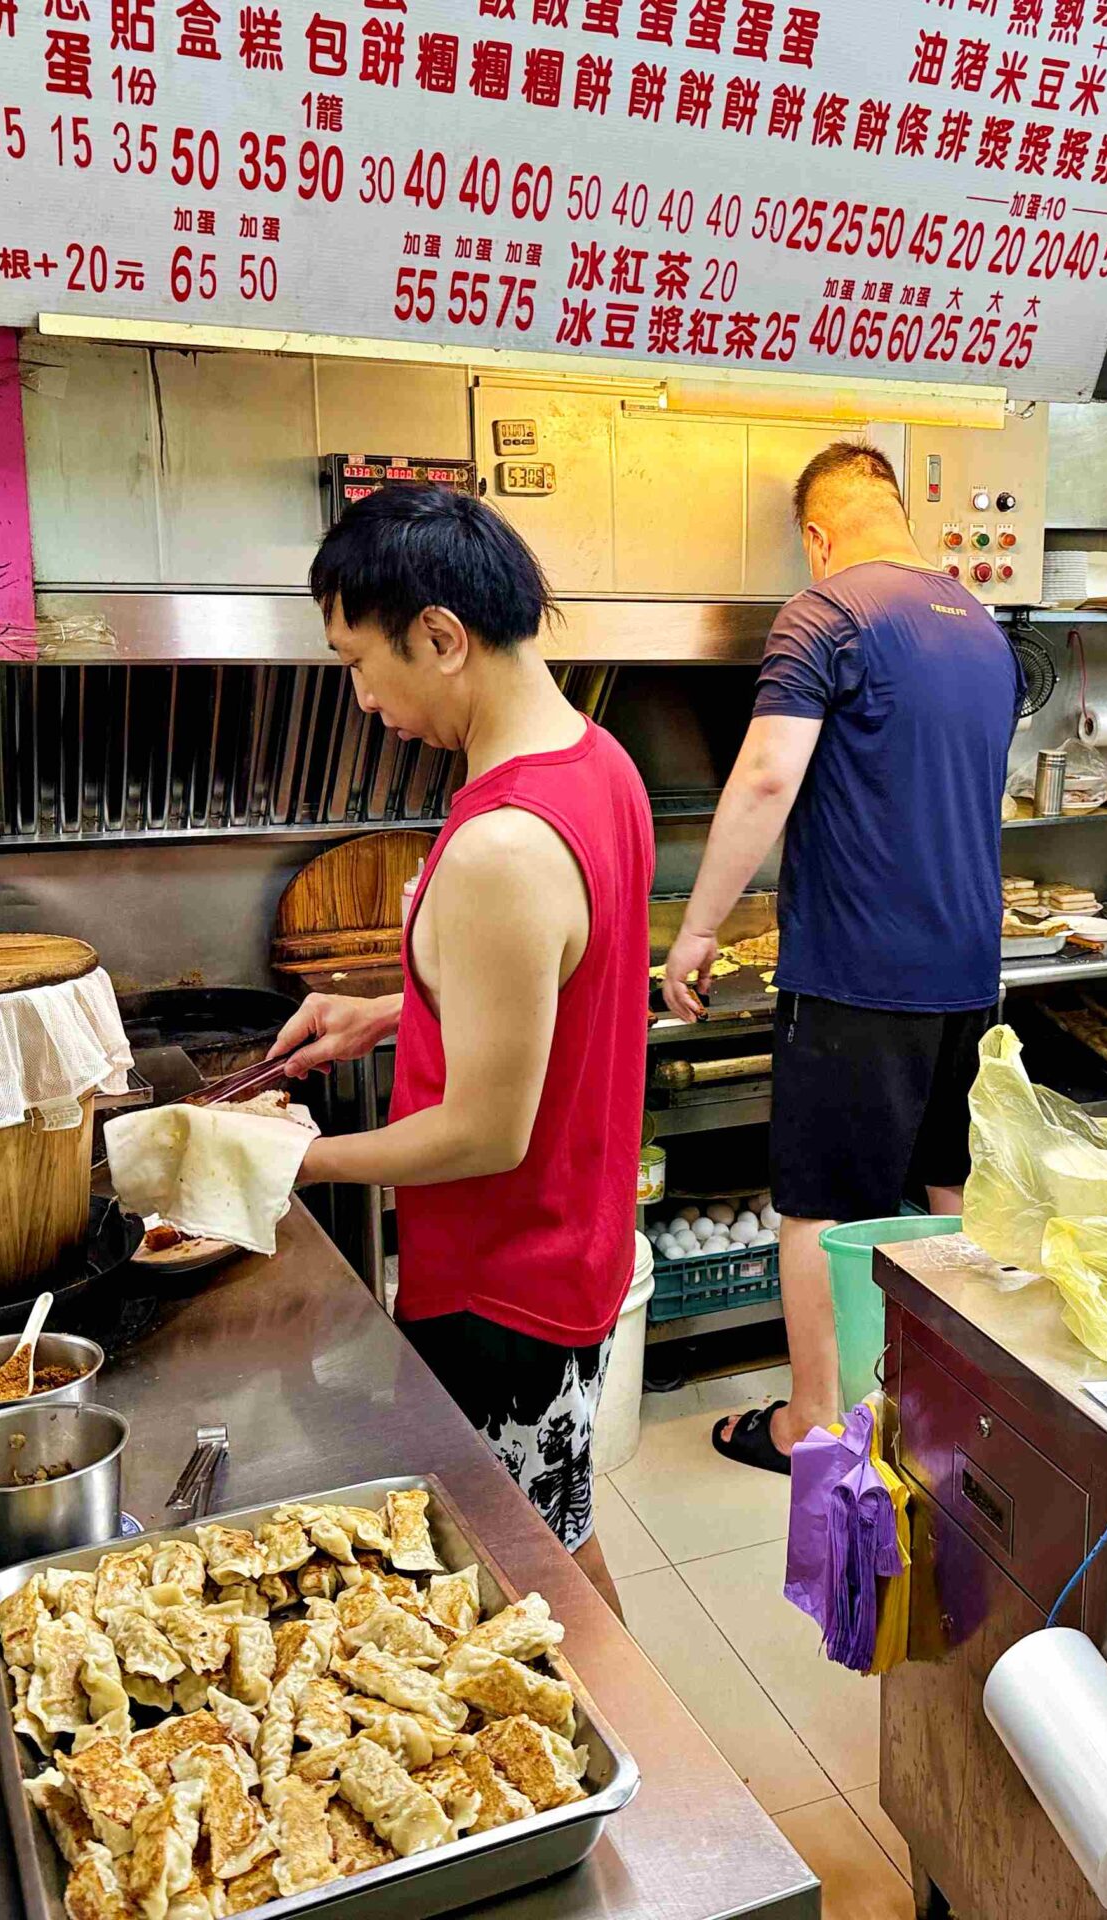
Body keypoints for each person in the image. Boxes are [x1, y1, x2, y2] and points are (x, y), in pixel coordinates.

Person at [269, 484, 653, 1613]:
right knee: (557, 1532)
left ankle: (648, 1780)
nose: (360, 694)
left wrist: (282, 1163)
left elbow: (486, 1133)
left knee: (525, 1583)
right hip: (569, 1246)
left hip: (505, 1286)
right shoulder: (595, 764)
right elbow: (557, 987)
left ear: (440, 635)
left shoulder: (502, 840)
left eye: (356, 660)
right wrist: (389, 1012)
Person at [662, 442, 1016, 1475]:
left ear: (816, 536)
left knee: (818, 1206)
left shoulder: (824, 614)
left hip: (859, 967)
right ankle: (954, 1410)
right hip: (965, 962)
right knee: (947, 1187)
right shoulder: (982, 629)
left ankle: (812, 1425)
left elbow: (768, 776)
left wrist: (698, 929)